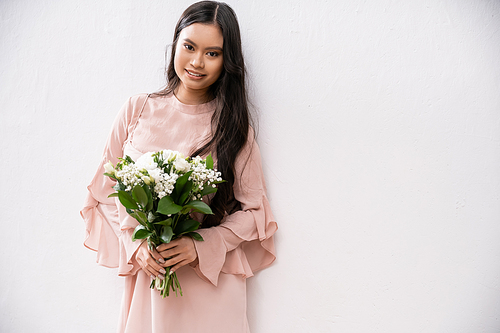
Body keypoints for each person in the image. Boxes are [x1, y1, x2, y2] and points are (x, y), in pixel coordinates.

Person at [80, 1, 277, 332]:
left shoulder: (233, 127)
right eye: (189, 47)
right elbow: (104, 191)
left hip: (210, 286)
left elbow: (257, 213)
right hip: (151, 278)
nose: (197, 62)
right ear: (176, 44)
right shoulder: (137, 109)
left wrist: (199, 245)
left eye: (212, 53)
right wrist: (135, 244)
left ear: (226, 62)